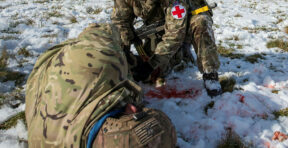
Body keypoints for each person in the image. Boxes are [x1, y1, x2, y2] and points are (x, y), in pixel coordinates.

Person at [25, 23, 176, 148]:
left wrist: (122, 50)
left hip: (52, 61)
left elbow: (101, 30)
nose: (137, 107)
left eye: (138, 116)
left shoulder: (99, 61)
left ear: (133, 110)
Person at [110, 0, 222, 96]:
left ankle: (210, 74)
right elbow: (119, 23)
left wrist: (152, 64)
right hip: (157, 30)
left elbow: (176, 33)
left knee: (200, 22)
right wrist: (121, 56)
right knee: (158, 72)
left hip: (183, 27)